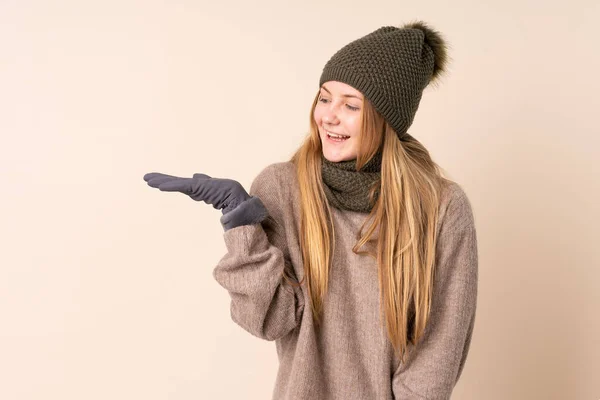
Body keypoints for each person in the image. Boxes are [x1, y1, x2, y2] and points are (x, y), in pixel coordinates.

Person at [144, 20, 478, 400]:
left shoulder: (442, 208)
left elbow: (438, 352)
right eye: (324, 98)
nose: (329, 116)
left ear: (388, 120)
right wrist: (241, 222)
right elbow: (268, 320)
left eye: (351, 105)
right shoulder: (283, 188)